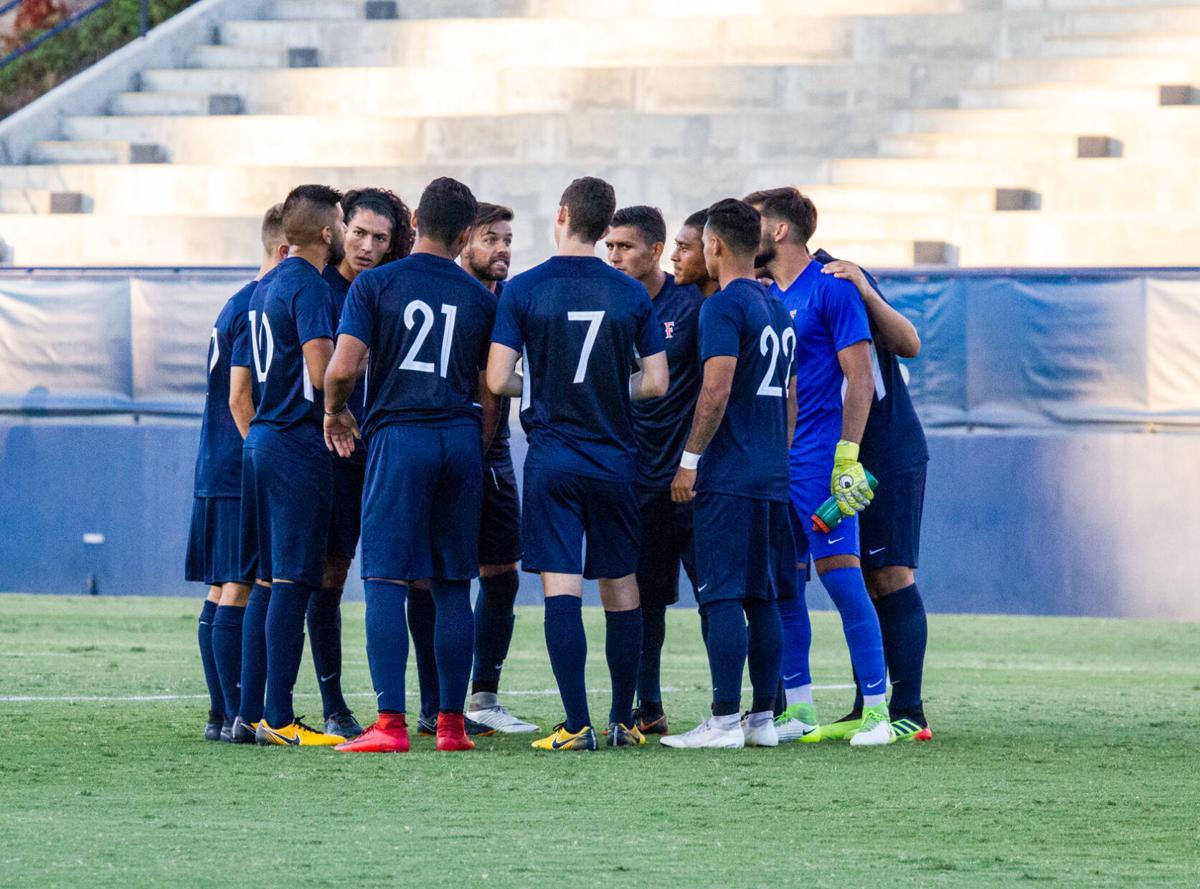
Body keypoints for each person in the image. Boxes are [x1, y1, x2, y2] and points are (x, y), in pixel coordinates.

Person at [486, 176, 669, 751]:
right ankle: (621, 720)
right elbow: (657, 381)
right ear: (605, 223)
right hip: (615, 459)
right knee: (622, 586)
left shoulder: (524, 289)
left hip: (553, 459)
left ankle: (576, 723)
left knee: (560, 588)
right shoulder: (631, 293)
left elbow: (496, 379)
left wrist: (540, 388)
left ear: (562, 214)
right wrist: (612, 390)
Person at [325, 177, 499, 754]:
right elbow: (492, 389)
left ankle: (390, 725)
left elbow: (343, 369)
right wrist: (476, 442)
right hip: (459, 435)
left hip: (401, 435)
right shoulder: (480, 296)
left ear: (415, 221)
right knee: (453, 584)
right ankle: (451, 726)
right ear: (468, 233)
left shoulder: (376, 283)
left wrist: (336, 412)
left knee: (386, 580)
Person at [745, 186, 893, 747]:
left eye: (755, 221)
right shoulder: (763, 295)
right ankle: (800, 708)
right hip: (776, 461)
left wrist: (848, 458)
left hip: (822, 463)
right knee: (785, 584)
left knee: (842, 578)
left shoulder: (830, 290)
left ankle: (878, 711)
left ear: (780, 230)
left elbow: (860, 377)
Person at [660, 198, 792, 750]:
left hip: (728, 475)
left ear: (714, 245)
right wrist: (774, 454)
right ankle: (762, 719)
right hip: (768, 474)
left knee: (720, 596)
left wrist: (689, 460)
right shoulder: (777, 307)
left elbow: (716, 388)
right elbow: (790, 396)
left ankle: (721, 721)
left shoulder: (722, 307)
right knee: (762, 597)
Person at [239, 184, 348, 747]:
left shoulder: (266, 285)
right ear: (328, 233)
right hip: (295, 443)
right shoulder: (308, 285)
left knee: (265, 581)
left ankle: (250, 711)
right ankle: (279, 718)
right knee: (294, 581)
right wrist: (340, 410)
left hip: (260, 439)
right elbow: (321, 368)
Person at [310, 187, 415, 740]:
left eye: (380, 237)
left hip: (389, 452)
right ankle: (332, 704)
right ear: (338, 229)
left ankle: (435, 707)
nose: (368, 246)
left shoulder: (391, 290)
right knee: (326, 575)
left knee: (410, 576)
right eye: (359, 233)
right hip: (331, 452)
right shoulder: (318, 290)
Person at [815, 251, 932, 742]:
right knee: (859, 575)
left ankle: (910, 710)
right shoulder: (778, 286)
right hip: (837, 454)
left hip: (884, 451)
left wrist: (865, 289)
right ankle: (872, 703)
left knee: (891, 573)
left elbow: (909, 343)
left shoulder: (837, 276)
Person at [186, 203, 288, 742]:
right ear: (284, 250)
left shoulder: (234, 303)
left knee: (222, 587)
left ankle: (219, 713)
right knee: (239, 587)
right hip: (239, 465)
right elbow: (240, 397)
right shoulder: (259, 303)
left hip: (217, 462)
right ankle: (234, 715)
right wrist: (263, 455)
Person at [605, 205, 704, 735]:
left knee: (718, 595)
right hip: (634, 477)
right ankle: (649, 704)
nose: (614, 256)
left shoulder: (691, 302)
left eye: (624, 247)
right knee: (646, 599)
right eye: (609, 247)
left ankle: (742, 708)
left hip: (692, 479)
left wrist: (692, 459)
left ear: (656, 249)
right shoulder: (609, 302)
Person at [459, 202, 539, 734]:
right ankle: (435, 702)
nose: (503, 248)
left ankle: (482, 696)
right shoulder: (451, 294)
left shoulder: (510, 299)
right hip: (447, 450)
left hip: (491, 457)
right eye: (491, 238)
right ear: (464, 239)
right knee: (435, 579)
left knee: (502, 575)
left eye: (508, 239)